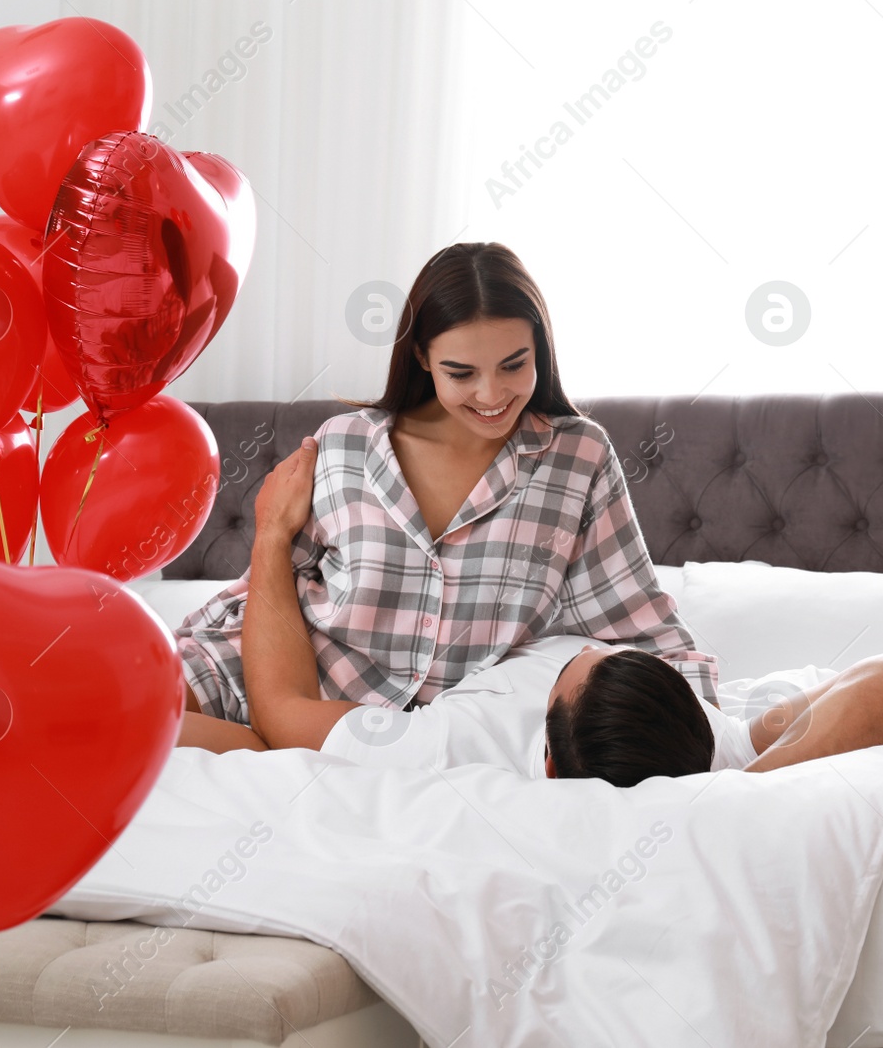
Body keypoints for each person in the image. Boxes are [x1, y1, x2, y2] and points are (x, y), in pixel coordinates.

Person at [173, 243, 717, 754]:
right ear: (422, 357)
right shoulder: (348, 445)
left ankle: (275, 753)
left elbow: (637, 628)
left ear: (540, 351)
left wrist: (707, 731)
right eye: (462, 372)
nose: (491, 395)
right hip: (273, 670)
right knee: (120, 723)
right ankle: (269, 748)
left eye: (513, 364)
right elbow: (270, 589)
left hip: (396, 732)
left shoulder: (578, 457)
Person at [209, 633, 883, 787]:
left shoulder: (452, 746)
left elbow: (278, 712)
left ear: (546, 756)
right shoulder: (716, 749)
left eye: (567, 664)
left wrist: (271, 531)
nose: (595, 637)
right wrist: (743, 792)